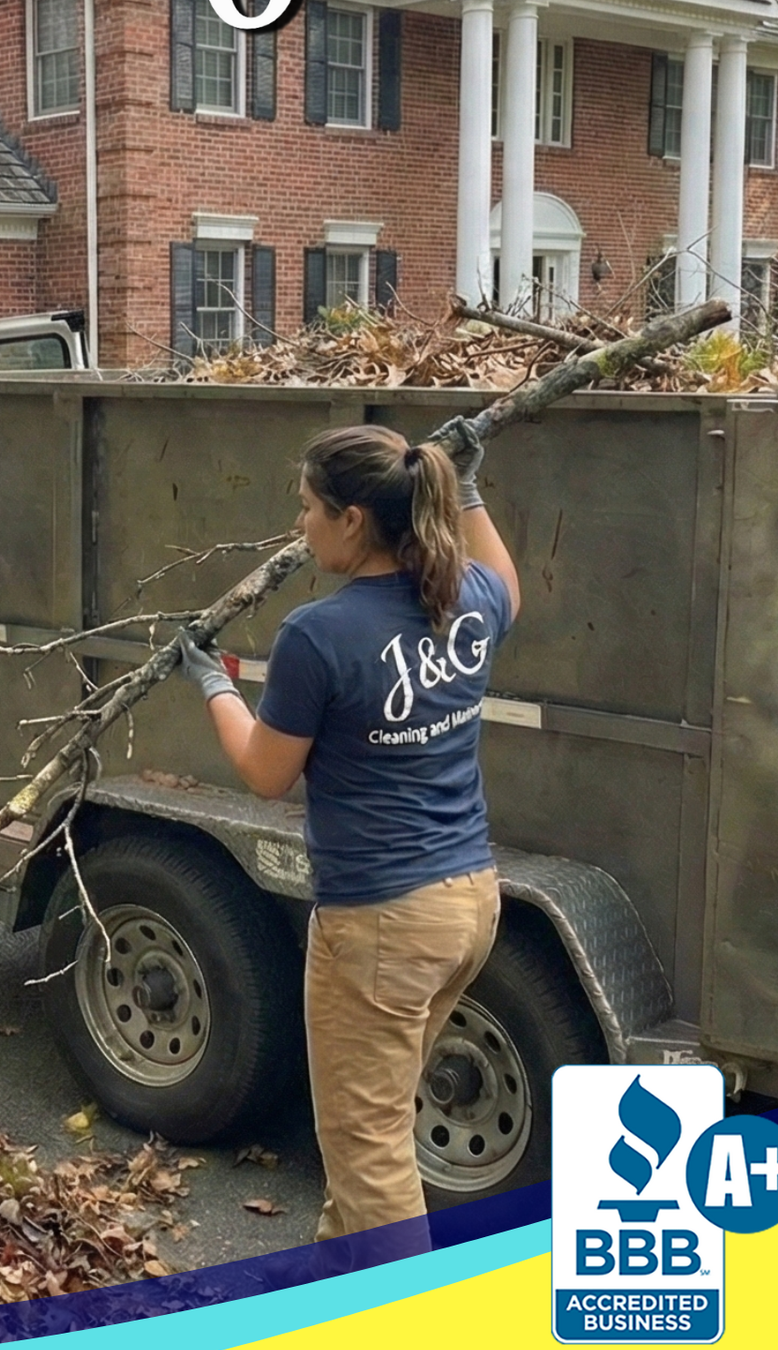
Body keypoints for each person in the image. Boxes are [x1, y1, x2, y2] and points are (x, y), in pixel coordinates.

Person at [175, 420, 520, 1240]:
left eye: (307, 509)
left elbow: (265, 775)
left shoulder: (319, 635)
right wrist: (467, 489)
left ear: (353, 520)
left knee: (369, 1152)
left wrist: (213, 684)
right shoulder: (466, 597)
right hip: (469, 902)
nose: (300, 526)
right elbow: (508, 577)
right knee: (374, 1124)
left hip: (382, 924)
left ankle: (403, 1342)